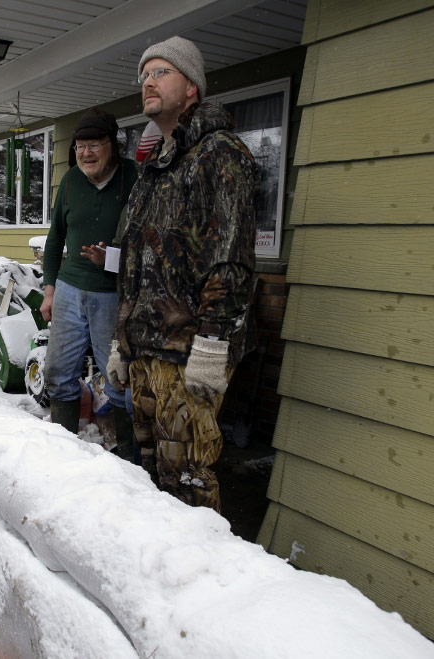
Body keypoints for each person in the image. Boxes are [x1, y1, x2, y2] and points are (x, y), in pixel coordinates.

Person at [106, 36, 259, 511]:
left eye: (161, 72)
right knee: (153, 476)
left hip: (189, 351)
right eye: (144, 75)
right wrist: (120, 343)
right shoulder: (156, 168)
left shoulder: (219, 154)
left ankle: (202, 561)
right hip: (146, 349)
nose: (148, 82)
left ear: (191, 87)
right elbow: (134, 266)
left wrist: (213, 344)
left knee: (188, 480)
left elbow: (230, 259)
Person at [41, 108, 138, 459]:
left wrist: (110, 260)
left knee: (119, 381)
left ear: (113, 145)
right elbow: (55, 239)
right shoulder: (70, 181)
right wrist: (49, 291)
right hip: (69, 290)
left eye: (95, 145)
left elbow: (149, 248)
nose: (86, 153)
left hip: (113, 298)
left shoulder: (135, 179)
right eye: (80, 146)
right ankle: (63, 453)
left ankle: (129, 461)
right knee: (57, 375)